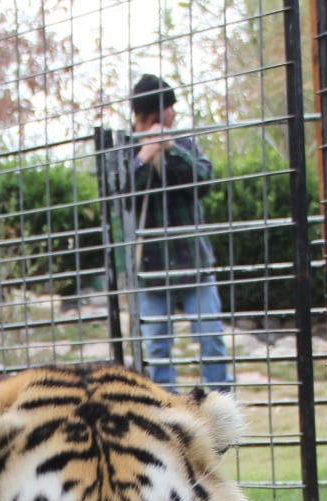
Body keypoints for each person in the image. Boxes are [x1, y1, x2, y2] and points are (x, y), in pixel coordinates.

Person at [128, 74, 233, 392]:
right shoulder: (127, 150)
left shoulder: (184, 144)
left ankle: (220, 407)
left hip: (194, 263)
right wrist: (144, 158)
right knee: (157, 352)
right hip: (151, 268)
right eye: (168, 106)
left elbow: (204, 181)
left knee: (210, 338)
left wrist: (171, 150)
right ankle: (166, 412)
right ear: (152, 114)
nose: (173, 113)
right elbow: (120, 195)